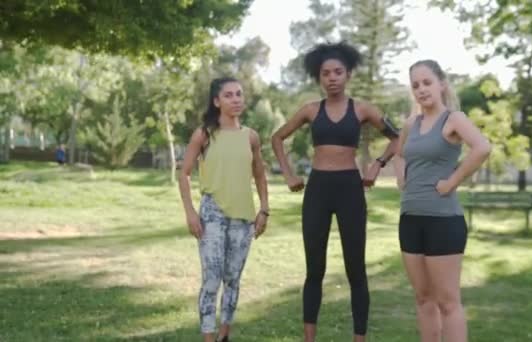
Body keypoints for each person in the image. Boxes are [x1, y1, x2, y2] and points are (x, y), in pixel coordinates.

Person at [271, 42, 400, 342]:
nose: (332, 78)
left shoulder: (363, 109)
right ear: (319, 78)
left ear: (348, 74)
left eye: (338, 72)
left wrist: (378, 165)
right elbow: (277, 138)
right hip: (317, 190)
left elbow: (397, 138)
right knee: (314, 269)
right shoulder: (310, 111)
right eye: (325, 73)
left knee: (356, 268)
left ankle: (359, 338)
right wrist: (289, 174)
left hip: (349, 190)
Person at [394, 59, 491, 342]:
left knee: (448, 302)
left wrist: (452, 181)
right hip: (410, 219)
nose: (421, 89)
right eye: (415, 85)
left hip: (444, 222)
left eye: (427, 83)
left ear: (441, 84)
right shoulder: (412, 123)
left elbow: (483, 147)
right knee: (423, 299)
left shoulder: (454, 119)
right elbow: (399, 154)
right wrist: (402, 179)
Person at [178, 77, 269, 342]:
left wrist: (264, 209)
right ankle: (208, 338)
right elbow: (183, 174)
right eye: (228, 95)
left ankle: (224, 334)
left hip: (244, 218)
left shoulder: (251, 136)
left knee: (233, 279)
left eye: (239, 94)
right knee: (211, 281)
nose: (236, 99)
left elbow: (261, 176)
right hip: (212, 215)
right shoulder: (204, 134)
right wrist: (190, 213)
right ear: (217, 101)